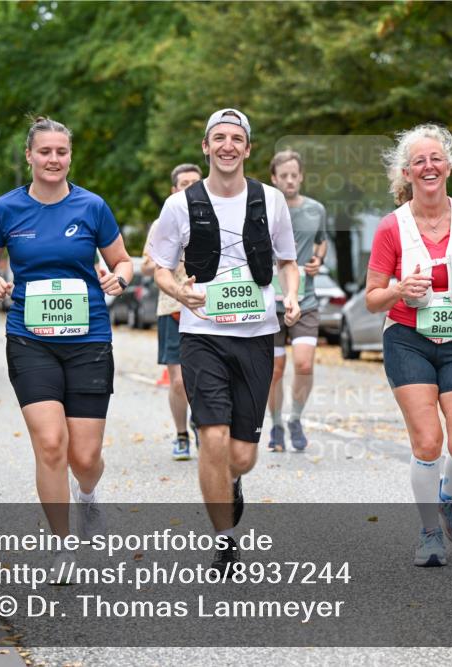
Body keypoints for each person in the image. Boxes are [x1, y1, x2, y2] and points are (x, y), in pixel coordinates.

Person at [0, 117, 133, 578]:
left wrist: (117, 278)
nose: (54, 159)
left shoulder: (92, 206)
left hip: (89, 340)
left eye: (61, 152)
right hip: (29, 339)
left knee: (84, 458)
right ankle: (63, 544)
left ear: (69, 156)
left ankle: (87, 495)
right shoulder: (5, 209)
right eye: (45, 151)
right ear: (29, 156)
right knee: (50, 444)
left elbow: (123, 259)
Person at [150, 108, 299, 571]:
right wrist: (178, 291)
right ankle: (225, 538)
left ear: (248, 148)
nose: (228, 145)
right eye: (219, 138)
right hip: (203, 336)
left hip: (256, 336)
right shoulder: (179, 206)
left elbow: (288, 262)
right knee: (211, 436)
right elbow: (158, 266)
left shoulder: (271, 200)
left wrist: (291, 296)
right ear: (206, 146)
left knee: (242, 455)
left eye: (236, 138)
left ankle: (232, 482)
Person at [365, 124, 452, 567]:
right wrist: (400, 288)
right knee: (427, 443)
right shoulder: (391, 228)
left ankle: (449, 495)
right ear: (407, 173)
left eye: (436, 158)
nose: (428, 166)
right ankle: (428, 532)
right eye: (418, 161)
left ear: (449, 166)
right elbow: (371, 298)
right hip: (408, 340)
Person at [266, 150, 329, 452]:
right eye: (284, 176)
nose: (290, 181)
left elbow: (322, 239)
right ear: (274, 178)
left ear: (301, 176)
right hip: (270, 303)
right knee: (275, 370)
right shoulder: (263, 210)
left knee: (303, 364)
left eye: (295, 175)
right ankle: (276, 424)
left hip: (306, 300)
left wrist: (317, 259)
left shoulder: (316, 209)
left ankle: (295, 418)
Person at [141, 163, 203, 461]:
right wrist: (166, 259)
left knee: (204, 377)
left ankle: (201, 423)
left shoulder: (212, 219)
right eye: (184, 184)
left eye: (196, 183)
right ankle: (181, 434)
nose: (190, 188)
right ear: (174, 190)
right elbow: (145, 265)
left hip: (206, 307)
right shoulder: (162, 223)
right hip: (172, 307)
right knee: (178, 380)